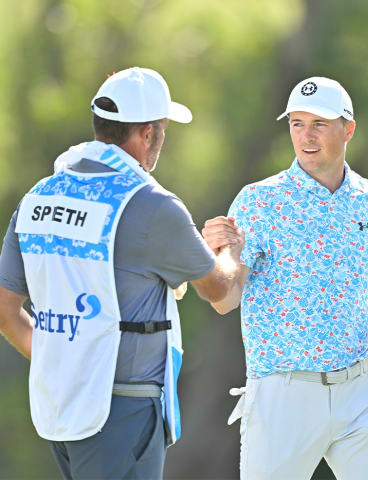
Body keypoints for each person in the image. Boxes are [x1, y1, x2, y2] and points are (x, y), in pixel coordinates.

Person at [0, 67, 242, 478]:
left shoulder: (37, 197)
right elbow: (222, 293)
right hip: (123, 410)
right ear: (147, 134)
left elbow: (6, 311)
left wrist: (63, 358)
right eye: (163, 129)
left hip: (61, 403)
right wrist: (228, 252)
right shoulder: (153, 205)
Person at [201, 77, 368, 479]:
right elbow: (226, 300)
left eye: (319, 123)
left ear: (348, 129)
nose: (306, 136)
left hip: (359, 390)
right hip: (283, 394)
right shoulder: (259, 200)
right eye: (297, 123)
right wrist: (216, 257)